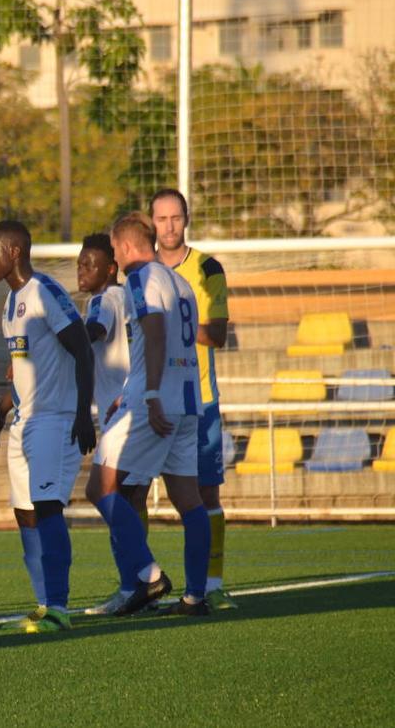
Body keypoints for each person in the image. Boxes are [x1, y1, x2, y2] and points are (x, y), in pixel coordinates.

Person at [86, 213, 212, 617]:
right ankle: (196, 597)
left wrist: (151, 393)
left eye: (115, 249)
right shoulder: (181, 282)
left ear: (123, 247)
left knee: (101, 488)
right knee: (189, 501)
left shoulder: (140, 278)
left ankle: (146, 577)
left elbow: (154, 333)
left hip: (154, 400)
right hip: (188, 400)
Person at [0, 221, 95, 634]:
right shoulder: (11, 304)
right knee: (25, 514)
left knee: (48, 508)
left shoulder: (45, 291)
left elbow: (82, 347)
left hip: (54, 420)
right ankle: (44, 603)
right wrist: (3, 407)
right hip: (24, 420)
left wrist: (83, 412)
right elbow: (27, 367)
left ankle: (60, 607)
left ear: (13, 252)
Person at [151, 188, 236, 610]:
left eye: (175, 218)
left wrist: (169, 330)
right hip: (149, 401)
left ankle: (211, 585)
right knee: (126, 491)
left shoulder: (208, 268)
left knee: (206, 496)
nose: (169, 226)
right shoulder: (141, 271)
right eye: (161, 219)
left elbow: (217, 335)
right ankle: (138, 584)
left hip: (198, 400)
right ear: (152, 223)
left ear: (186, 219)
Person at [75, 233, 137, 616]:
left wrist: (57, 340)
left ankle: (136, 583)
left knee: (101, 492)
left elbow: (93, 331)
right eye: (80, 262)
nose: (82, 269)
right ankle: (136, 585)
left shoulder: (105, 299)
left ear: (110, 269)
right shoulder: (129, 297)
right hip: (136, 407)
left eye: (90, 264)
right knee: (128, 501)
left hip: (120, 414)